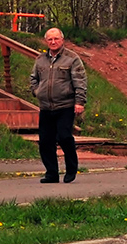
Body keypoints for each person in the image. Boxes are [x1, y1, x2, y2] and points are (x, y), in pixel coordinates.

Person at [29, 27, 87, 184]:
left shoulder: (72, 59)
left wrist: (79, 102)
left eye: (56, 39)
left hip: (65, 105)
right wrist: (37, 91)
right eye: (50, 39)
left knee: (64, 136)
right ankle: (51, 173)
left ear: (62, 40)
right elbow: (33, 78)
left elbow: (80, 81)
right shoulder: (40, 59)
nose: (53, 42)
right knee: (45, 141)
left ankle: (71, 169)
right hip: (46, 107)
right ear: (46, 41)